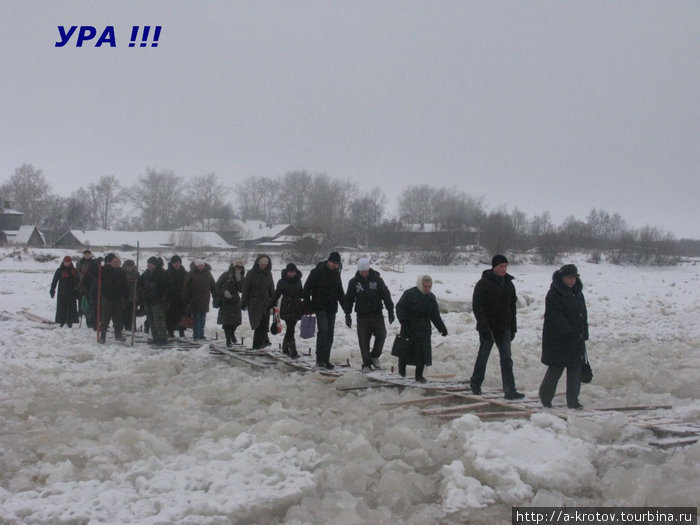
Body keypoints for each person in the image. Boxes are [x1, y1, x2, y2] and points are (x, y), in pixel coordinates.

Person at [469, 255, 525, 400]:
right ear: (494, 267)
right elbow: (477, 307)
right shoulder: (483, 284)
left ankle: (510, 390)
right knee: (483, 355)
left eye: (505, 266)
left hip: (504, 326)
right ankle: (475, 383)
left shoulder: (509, 284)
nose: (503, 269)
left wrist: (513, 328)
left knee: (507, 358)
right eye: (501, 266)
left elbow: (512, 308)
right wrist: (483, 327)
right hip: (488, 326)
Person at [539, 264, 589, 409]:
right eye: (569, 278)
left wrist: (584, 331)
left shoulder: (578, 293)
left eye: (574, 278)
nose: (572, 281)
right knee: (556, 368)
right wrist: (566, 332)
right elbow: (555, 316)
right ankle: (545, 397)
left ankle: (573, 401)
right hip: (558, 339)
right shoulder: (554, 293)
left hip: (576, 338)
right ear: (562, 278)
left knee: (575, 370)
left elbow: (582, 314)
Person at [394, 275, 447, 382]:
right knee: (405, 351)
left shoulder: (431, 297)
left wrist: (442, 328)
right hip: (409, 327)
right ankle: (401, 372)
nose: (427, 289)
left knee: (422, 353)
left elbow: (435, 315)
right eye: (425, 286)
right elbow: (400, 307)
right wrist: (403, 321)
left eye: (429, 287)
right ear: (420, 285)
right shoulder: (410, 294)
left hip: (424, 329)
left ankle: (419, 375)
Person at [345, 257, 395, 373]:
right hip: (362, 316)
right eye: (361, 271)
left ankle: (374, 356)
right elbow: (349, 299)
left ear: (369, 269)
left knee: (381, 335)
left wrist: (390, 310)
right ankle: (366, 364)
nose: (363, 273)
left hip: (376, 314)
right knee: (363, 341)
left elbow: (386, 295)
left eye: (365, 271)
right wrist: (347, 314)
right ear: (358, 270)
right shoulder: (353, 282)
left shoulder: (377, 280)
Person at [303, 251, 348, 370]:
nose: (335, 265)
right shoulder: (317, 272)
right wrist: (307, 305)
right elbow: (307, 288)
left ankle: (325, 359)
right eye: (333, 263)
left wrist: (346, 308)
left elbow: (340, 291)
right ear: (329, 261)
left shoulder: (336, 274)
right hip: (320, 306)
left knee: (330, 334)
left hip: (332, 307)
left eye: (337, 264)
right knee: (323, 330)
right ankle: (320, 359)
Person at [241, 254, 275, 349]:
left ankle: (262, 343)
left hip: (265, 303)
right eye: (262, 264)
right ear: (258, 264)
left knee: (264, 325)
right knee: (258, 324)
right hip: (254, 303)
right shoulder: (251, 273)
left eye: (265, 265)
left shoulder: (268, 274)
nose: (263, 266)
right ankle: (256, 346)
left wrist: (274, 300)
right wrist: (243, 302)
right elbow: (246, 289)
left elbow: (271, 287)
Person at [272, 262, 304, 358]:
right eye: (290, 272)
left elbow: (300, 293)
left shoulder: (298, 281)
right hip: (286, 307)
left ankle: (285, 348)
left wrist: (308, 294)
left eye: (293, 272)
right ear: (286, 272)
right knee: (290, 328)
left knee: (291, 328)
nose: (291, 274)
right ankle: (293, 351)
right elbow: (276, 294)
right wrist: (270, 305)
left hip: (296, 307)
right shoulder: (282, 282)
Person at [98, 253, 129, 343]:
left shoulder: (121, 271)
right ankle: (103, 336)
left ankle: (118, 335)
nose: (117, 263)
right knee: (105, 319)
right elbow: (93, 273)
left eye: (118, 262)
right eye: (115, 262)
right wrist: (95, 263)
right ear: (109, 262)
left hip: (118, 298)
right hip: (107, 297)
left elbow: (125, 285)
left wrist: (126, 295)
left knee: (118, 318)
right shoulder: (104, 270)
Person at [182, 258, 216, 341]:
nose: (201, 267)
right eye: (199, 266)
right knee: (196, 318)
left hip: (205, 300)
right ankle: (196, 334)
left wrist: (216, 295)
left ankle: (201, 334)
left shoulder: (208, 274)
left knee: (203, 318)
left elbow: (213, 286)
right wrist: (187, 299)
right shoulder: (191, 274)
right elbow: (186, 287)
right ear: (196, 266)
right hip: (194, 300)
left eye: (202, 265)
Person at [139, 256, 170, 345]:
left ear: (155, 265)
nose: (148, 265)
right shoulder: (146, 273)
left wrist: (164, 299)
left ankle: (162, 338)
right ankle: (155, 337)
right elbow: (140, 282)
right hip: (148, 300)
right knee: (151, 320)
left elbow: (166, 288)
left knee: (159, 321)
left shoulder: (162, 273)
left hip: (158, 301)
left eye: (150, 263)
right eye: (148, 263)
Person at [216, 259, 246, 347]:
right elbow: (217, 285)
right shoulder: (225, 275)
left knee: (236, 322)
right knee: (226, 322)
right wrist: (224, 292)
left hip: (235, 301)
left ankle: (232, 334)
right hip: (225, 302)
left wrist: (238, 278)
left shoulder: (241, 276)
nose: (238, 269)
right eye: (237, 267)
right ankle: (228, 340)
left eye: (240, 267)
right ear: (233, 267)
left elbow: (242, 289)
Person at [50, 255, 80, 327]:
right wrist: (52, 290)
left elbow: (78, 281)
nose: (67, 263)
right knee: (61, 307)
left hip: (72, 292)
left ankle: (70, 321)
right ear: (63, 262)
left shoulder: (74, 270)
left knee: (71, 307)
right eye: (66, 262)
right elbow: (54, 281)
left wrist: (78, 290)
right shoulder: (59, 270)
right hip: (62, 292)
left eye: (68, 262)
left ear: (70, 262)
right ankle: (61, 321)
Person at [166, 255, 188, 338]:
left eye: (178, 263)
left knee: (182, 316)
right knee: (170, 316)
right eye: (174, 263)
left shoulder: (184, 273)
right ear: (172, 264)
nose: (176, 264)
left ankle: (182, 332)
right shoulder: (167, 273)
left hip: (182, 298)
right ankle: (170, 332)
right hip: (171, 298)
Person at [121, 259, 140, 332]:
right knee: (123, 313)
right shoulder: (122, 273)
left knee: (132, 314)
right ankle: (121, 328)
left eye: (131, 267)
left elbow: (139, 285)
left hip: (134, 297)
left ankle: (131, 328)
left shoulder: (136, 274)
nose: (129, 268)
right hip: (124, 297)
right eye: (127, 267)